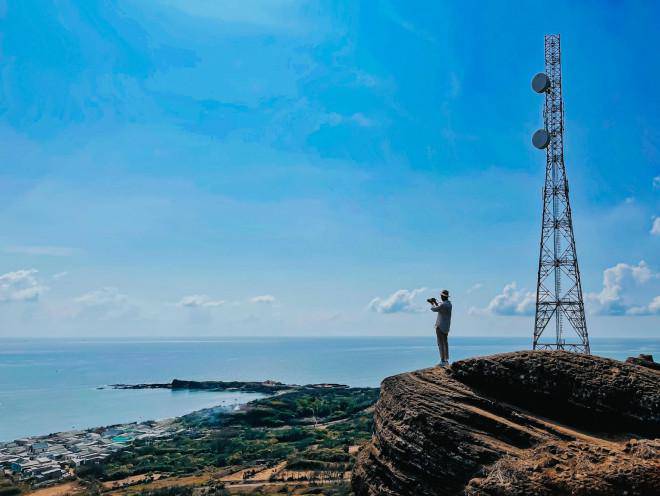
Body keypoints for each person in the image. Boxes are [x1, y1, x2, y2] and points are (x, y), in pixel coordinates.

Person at [429, 290, 452, 366]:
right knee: (445, 343)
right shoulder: (449, 304)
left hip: (440, 326)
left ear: (443, 296)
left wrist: (432, 303)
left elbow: (434, 309)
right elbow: (440, 307)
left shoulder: (443, 305)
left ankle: (443, 360)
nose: (441, 297)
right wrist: (435, 302)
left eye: (441, 296)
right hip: (446, 326)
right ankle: (446, 360)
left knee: (440, 343)